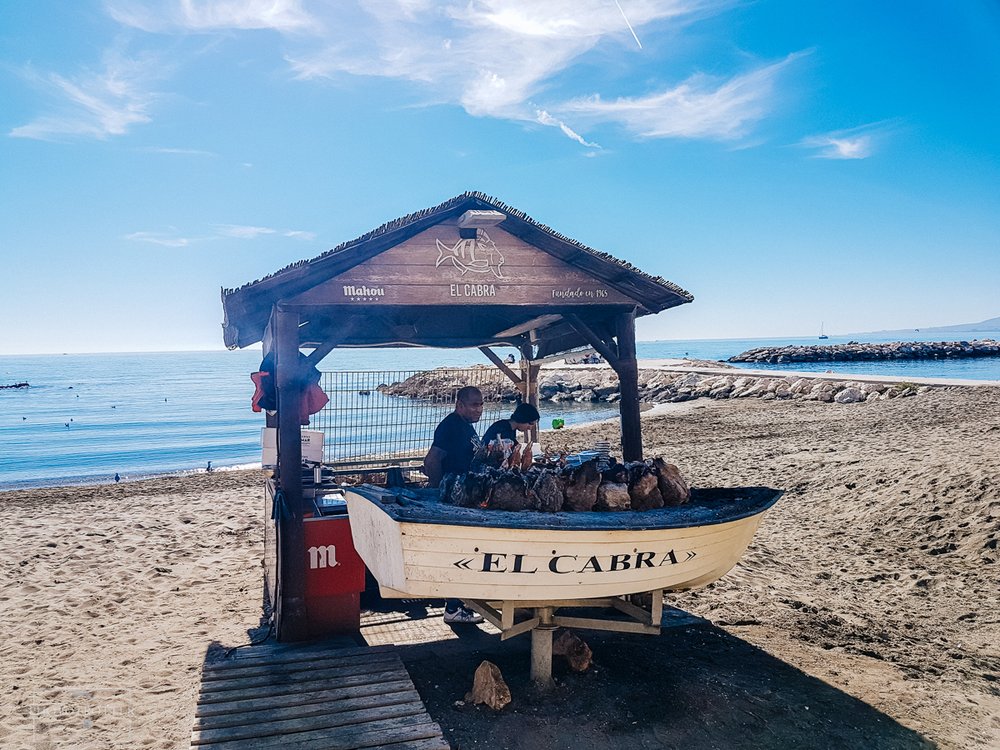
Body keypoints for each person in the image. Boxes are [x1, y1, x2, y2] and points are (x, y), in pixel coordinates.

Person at [423, 386, 485, 624]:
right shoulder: (451, 425)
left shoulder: (465, 426)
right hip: (454, 498)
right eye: (473, 404)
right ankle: (454, 607)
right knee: (458, 552)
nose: (478, 409)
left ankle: (460, 605)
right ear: (459, 405)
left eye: (480, 404)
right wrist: (441, 489)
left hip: (466, 496)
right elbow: (432, 460)